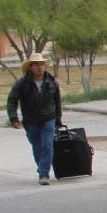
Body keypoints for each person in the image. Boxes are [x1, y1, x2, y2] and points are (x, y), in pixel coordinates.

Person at [6, 52, 63, 186]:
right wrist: (13, 118)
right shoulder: (22, 83)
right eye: (36, 65)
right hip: (30, 120)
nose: (39, 67)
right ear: (31, 67)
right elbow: (11, 100)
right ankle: (42, 168)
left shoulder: (52, 82)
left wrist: (58, 119)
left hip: (48, 118)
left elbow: (57, 102)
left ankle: (44, 174)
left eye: (42, 64)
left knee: (47, 145)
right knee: (37, 147)